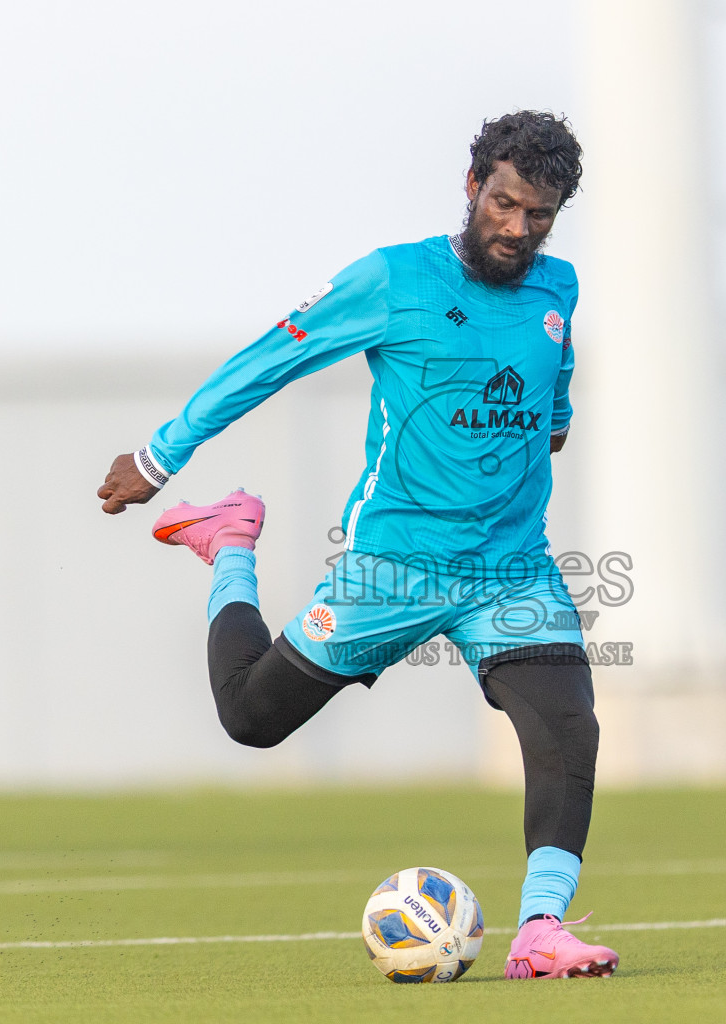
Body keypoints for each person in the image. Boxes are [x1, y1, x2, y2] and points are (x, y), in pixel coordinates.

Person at [98, 111, 616, 980]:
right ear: (472, 186)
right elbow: (273, 359)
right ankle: (229, 540)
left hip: (509, 566)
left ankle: (539, 933)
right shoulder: (393, 280)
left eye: (541, 216)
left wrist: (548, 425)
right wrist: (160, 454)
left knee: (570, 728)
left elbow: (554, 399)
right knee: (251, 721)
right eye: (505, 204)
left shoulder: (557, 290)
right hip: (394, 568)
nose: (518, 230)